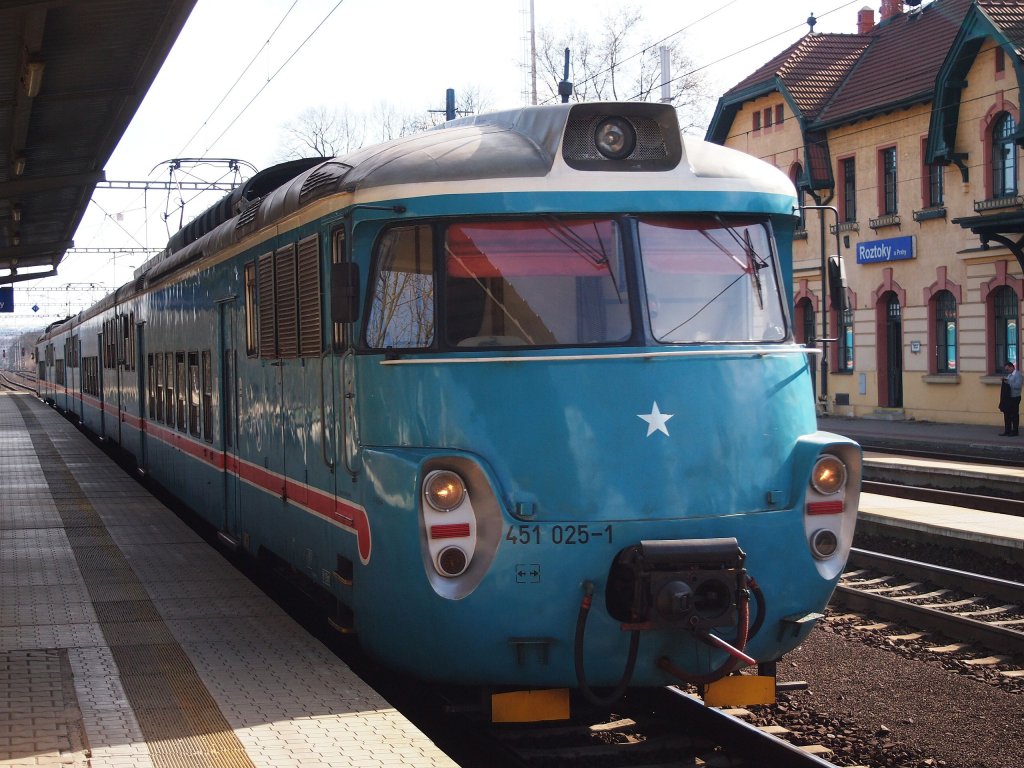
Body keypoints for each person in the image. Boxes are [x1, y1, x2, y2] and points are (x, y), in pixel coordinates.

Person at [999, 361, 1022, 436]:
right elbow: (1008, 383)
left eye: (1007, 369)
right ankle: (1007, 430)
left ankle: (1015, 431)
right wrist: (1005, 380)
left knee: (1014, 414)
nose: (1007, 371)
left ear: (1012, 367)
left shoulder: (1018, 375)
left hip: (1015, 397)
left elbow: (1018, 386)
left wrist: (1008, 382)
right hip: (1008, 398)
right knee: (1007, 414)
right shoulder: (1009, 375)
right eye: (1006, 370)